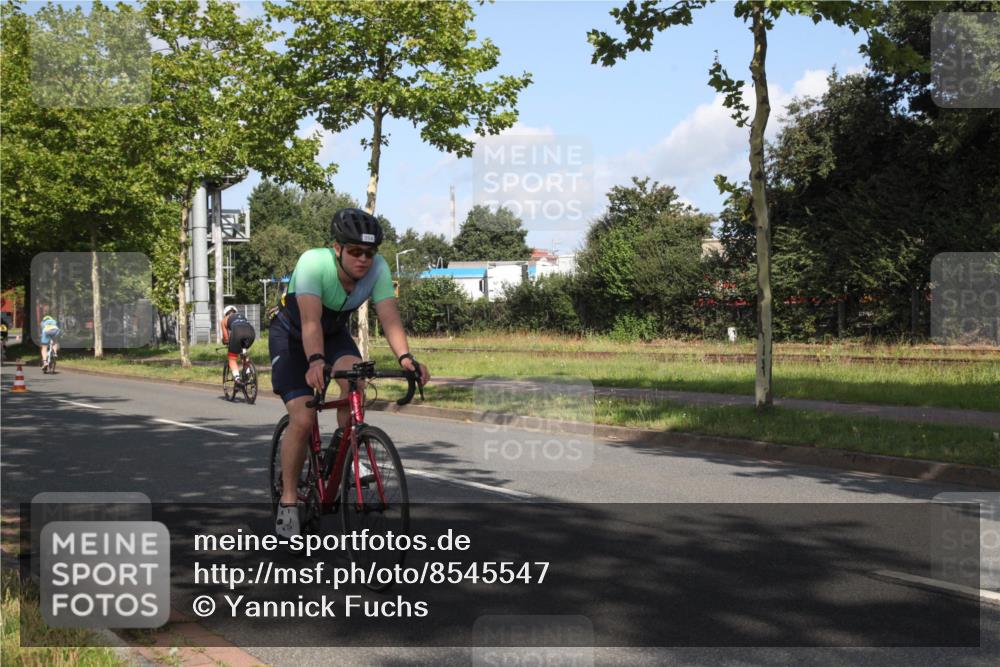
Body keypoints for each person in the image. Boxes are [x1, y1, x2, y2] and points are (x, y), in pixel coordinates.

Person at [269, 208, 430, 538]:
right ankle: (288, 501)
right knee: (302, 418)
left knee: (355, 379)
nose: (364, 259)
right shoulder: (314, 263)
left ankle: (351, 443)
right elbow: (311, 322)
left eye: (369, 253)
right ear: (337, 248)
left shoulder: (379, 269)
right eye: (355, 251)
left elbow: (389, 316)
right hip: (292, 336)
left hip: (333, 335)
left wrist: (405, 358)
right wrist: (315, 361)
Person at [220, 305, 256, 383]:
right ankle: (248, 371)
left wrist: (225, 341)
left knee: (232, 358)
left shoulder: (224, 320)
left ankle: (237, 378)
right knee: (243, 352)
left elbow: (226, 338)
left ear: (225, 314)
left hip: (237, 333)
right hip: (251, 333)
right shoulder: (242, 316)